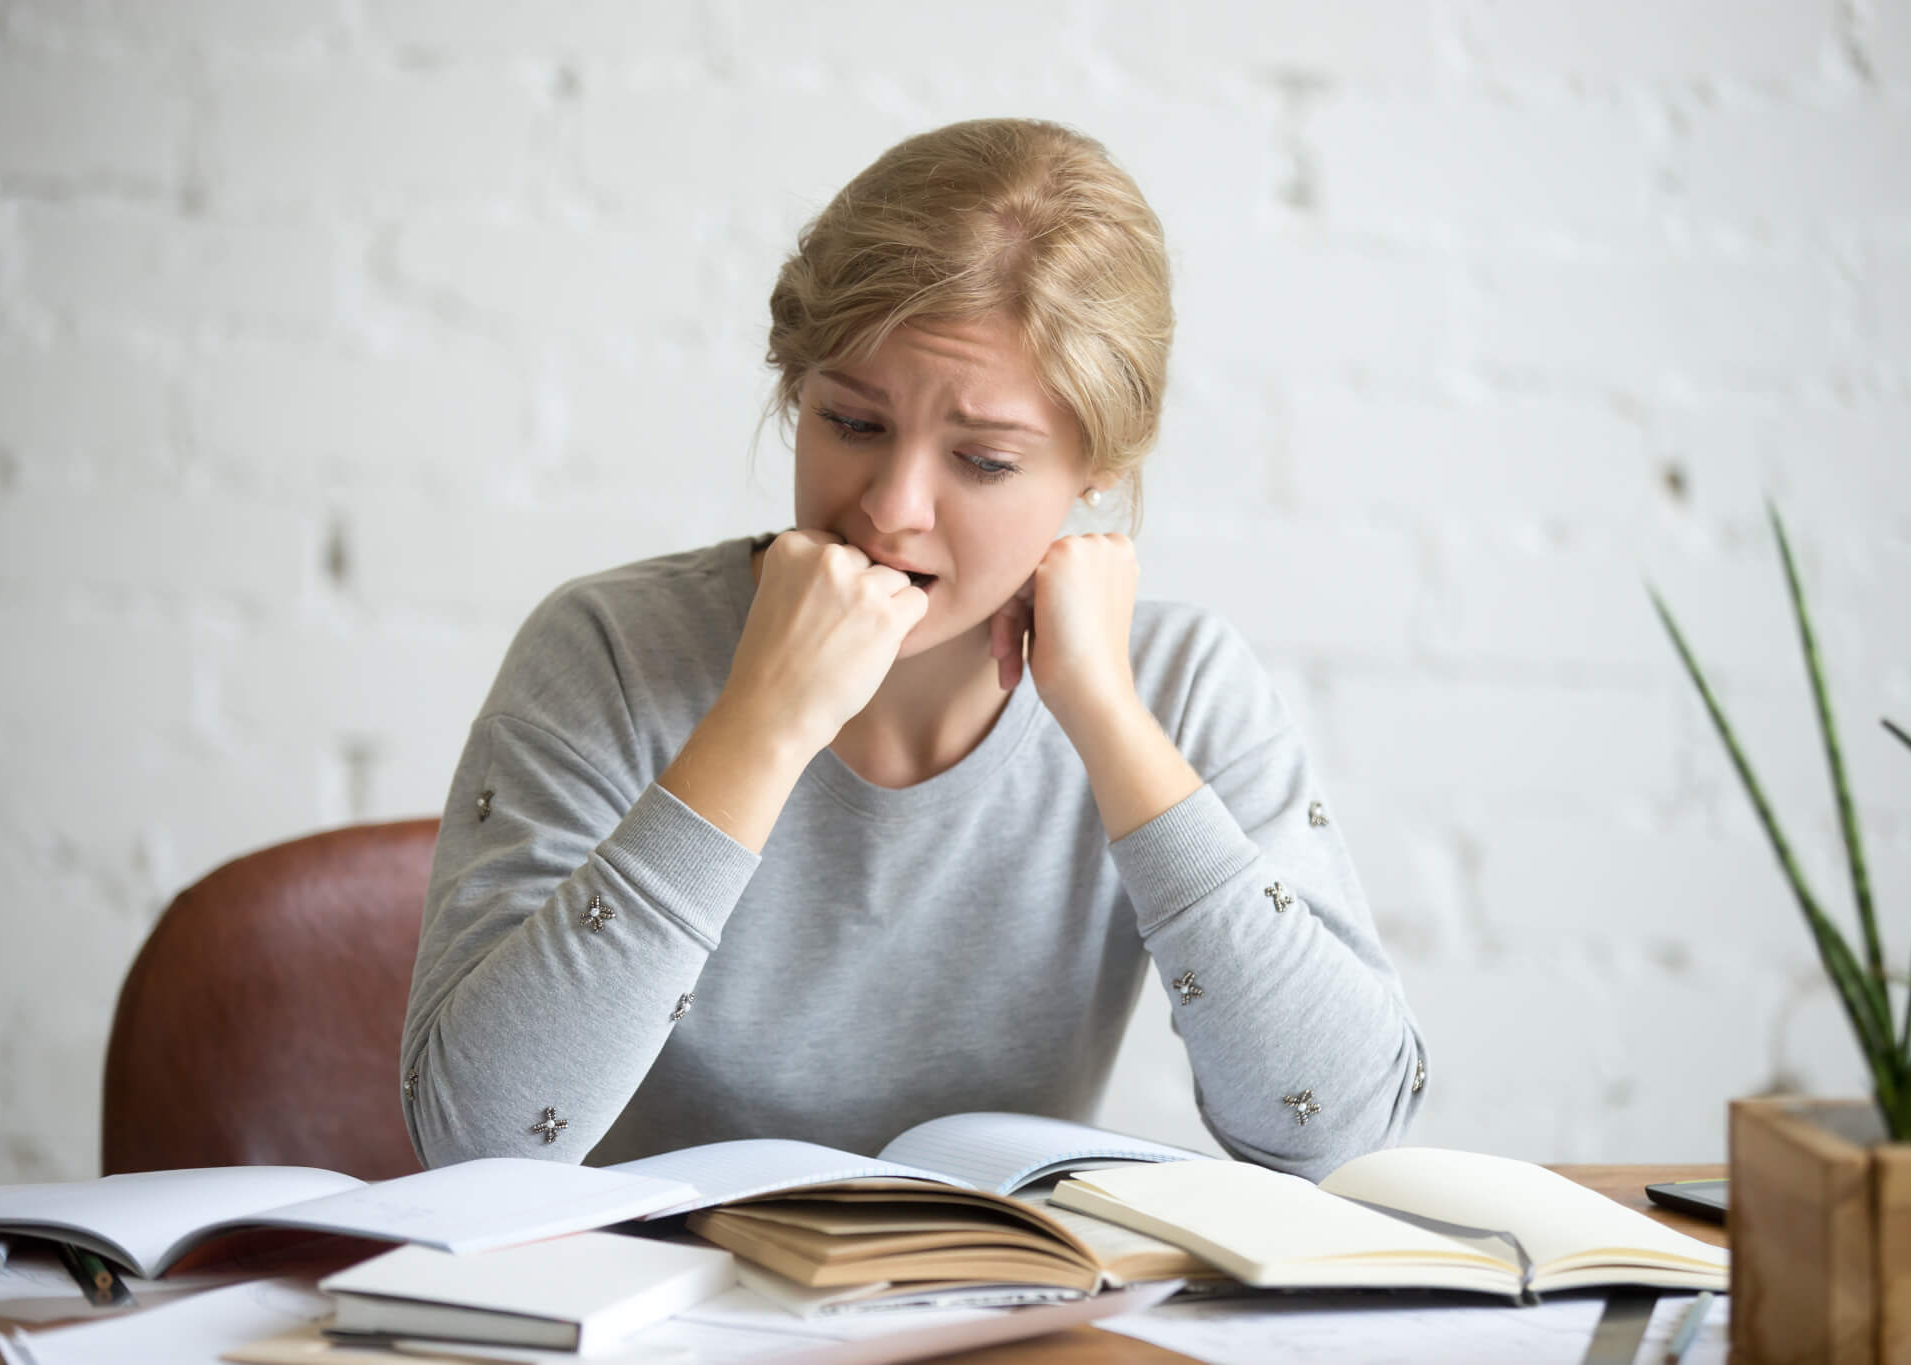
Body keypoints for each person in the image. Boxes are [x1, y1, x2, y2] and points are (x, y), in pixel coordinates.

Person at [400, 118, 1426, 1184]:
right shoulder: (610, 651)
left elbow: (1334, 1127)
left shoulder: (1180, 687)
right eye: (850, 424)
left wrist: (1110, 725)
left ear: (1098, 467)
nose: (890, 511)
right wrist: (760, 725)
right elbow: (475, 1138)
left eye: (981, 460)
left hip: (1004, 1323)